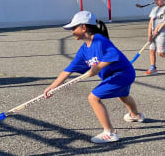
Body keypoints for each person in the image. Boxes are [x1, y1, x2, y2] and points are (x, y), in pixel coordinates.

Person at [43, 11, 144, 144]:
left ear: (84, 27)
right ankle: (135, 115)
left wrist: (97, 68)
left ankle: (110, 133)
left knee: (93, 97)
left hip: (123, 73)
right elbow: (68, 70)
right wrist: (52, 87)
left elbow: (113, 55)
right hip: (118, 75)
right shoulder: (84, 50)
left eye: (74, 28)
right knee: (123, 95)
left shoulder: (99, 39)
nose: (72, 31)